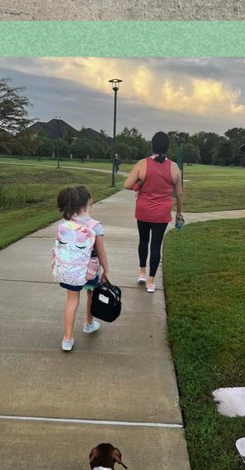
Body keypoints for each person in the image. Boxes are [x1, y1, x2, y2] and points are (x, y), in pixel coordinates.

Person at [123, 131, 184, 293]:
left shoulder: (142, 164)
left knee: (143, 241)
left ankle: (142, 272)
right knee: (156, 245)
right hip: (162, 213)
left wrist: (139, 185)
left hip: (143, 211)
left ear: (152, 145)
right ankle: (151, 281)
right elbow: (179, 193)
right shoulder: (174, 167)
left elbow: (127, 185)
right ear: (167, 147)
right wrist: (179, 212)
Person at [52, 186, 110, 352]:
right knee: (91, 294)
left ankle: (67, 338)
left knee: (72, 300)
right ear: (89, 201)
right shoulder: (95, 226)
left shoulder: (65, 224)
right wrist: (106, 270)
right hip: (89, 271)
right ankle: (89, 324)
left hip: (70, 271)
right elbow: (101, 252)